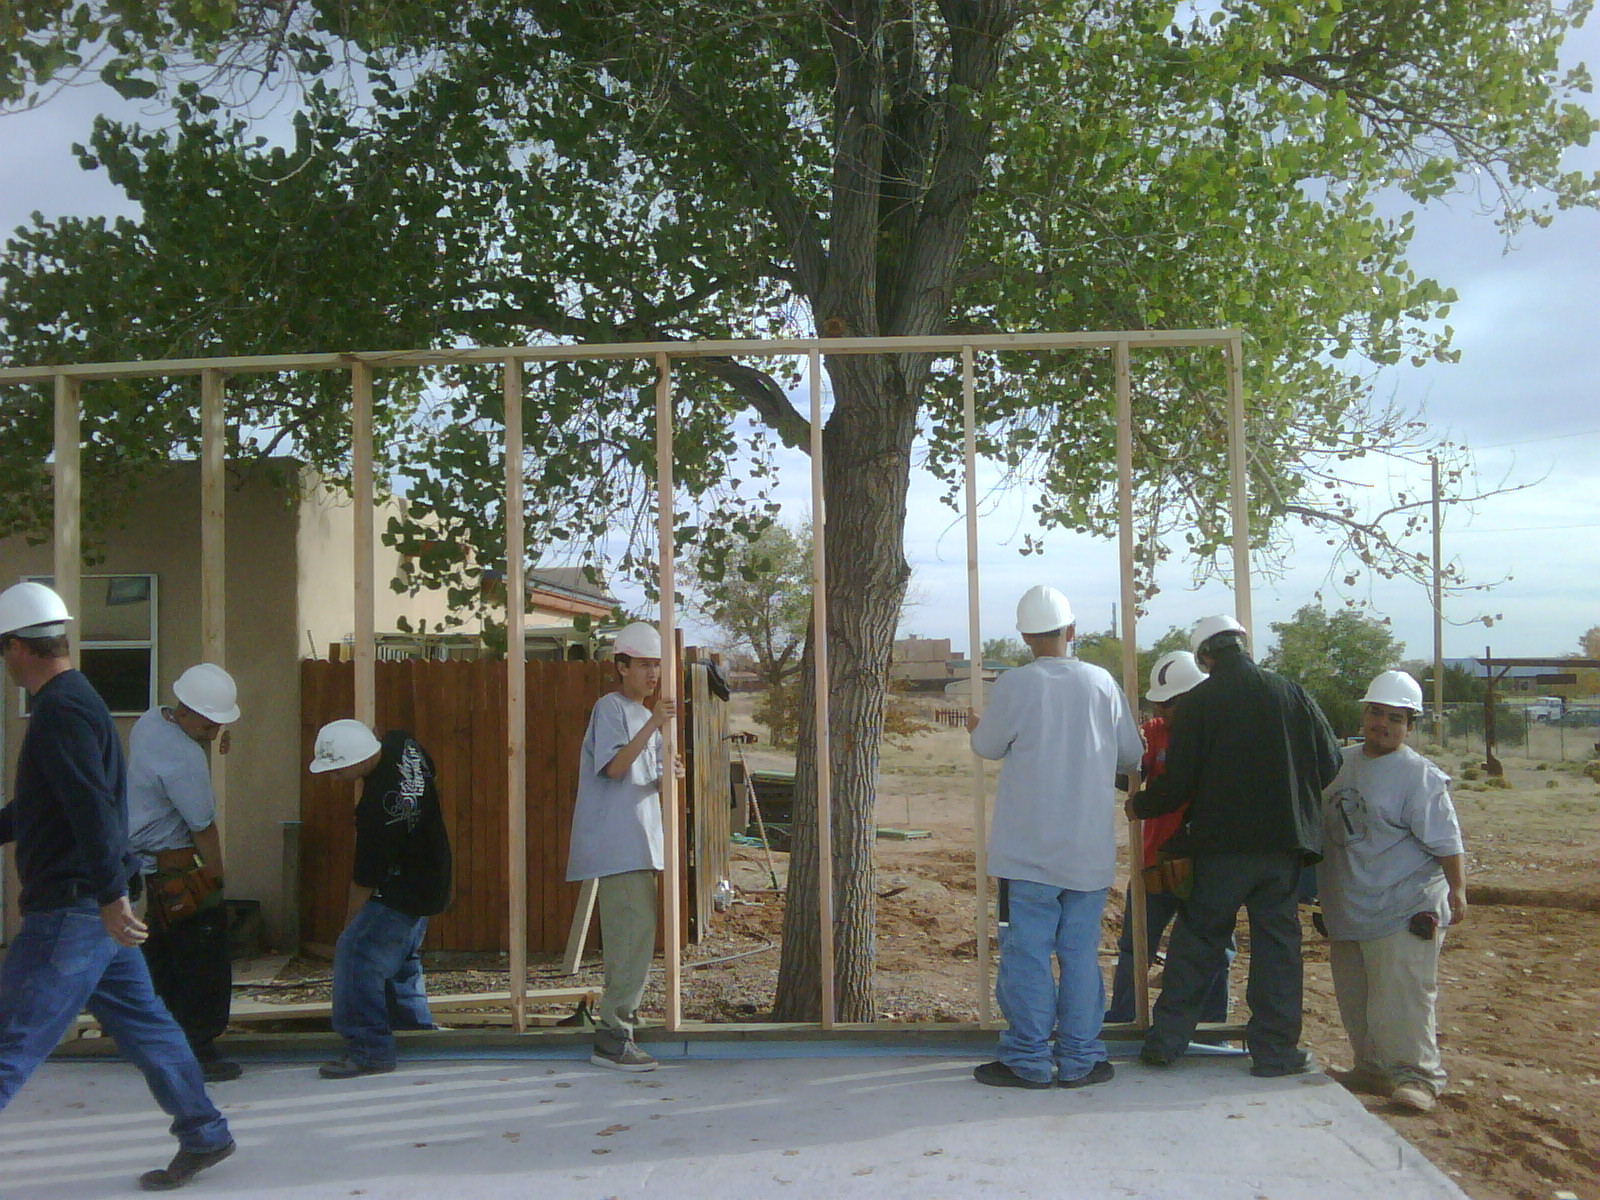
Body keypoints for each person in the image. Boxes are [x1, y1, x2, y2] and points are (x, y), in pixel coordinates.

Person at [0, 582, 234, 1191]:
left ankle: (205, 1131)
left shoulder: (60, 710)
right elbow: (41, 805)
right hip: (97, 912)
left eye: (4, 649)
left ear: (21, 648)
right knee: (151, 1029)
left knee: (11, 1039)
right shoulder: (76, 702)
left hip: (74, 914)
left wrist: (108, 898)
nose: (4, 660)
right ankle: (205, 1134)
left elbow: (92, 810)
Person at [1130, 614, 1342, 1077]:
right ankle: (1275, 1053)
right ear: (1243, 645)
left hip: (1220, 850)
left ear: (1205, 657)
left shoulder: (1200, 703)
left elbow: (1179, 783)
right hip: (1282, 850)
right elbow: (1330, 763)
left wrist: (1140, 805)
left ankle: (1165, 1043)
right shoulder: (1291, 693)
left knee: (1199, 940)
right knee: (1277, 950)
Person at [967, 585, 1143, 1088]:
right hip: (1087, 856)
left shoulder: (1016, 685)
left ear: (1025, 636)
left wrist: (980, 725)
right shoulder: (1102, 683)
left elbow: (987, 745)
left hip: (1026, 857)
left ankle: (1027, 1060)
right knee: (1080, 955)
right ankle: (1081, 1059)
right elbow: (1131, 755)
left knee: (1026, 954)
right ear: (1071, 631)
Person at [1319, 670, 1467, 1114]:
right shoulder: (1337, 763)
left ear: (1409, 725)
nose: (1382, 724)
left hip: (1405, 904)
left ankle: (1417, 1077)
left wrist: (1458, 891)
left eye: (1395, 718)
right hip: (1350, 902)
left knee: (1403, 994)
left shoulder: (1418, 776)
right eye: (1376, 713)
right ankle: (1371, 1068)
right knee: (1356, 995)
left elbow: (1446, 841)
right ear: (1364, 714)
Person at [308, 718, 452, 1078]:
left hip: (403, 889)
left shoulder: (375, 810)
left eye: (337, 771)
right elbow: (429, 768)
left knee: (358, 955)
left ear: (356, 761)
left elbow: (365, 880)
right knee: (401, 959)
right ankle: (414, 1033)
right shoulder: (402, 744)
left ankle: (370, 1050)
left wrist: (349, 929)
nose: (333, 778)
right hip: (432, 878)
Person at [567, 620, 678, 1072]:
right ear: (621, 667)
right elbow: (614, 768)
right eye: (644, 665)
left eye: (657, 665)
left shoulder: (640, 717)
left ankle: (623, 1021)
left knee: (636, 938)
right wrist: (655, 723)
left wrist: (669, 771)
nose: (652, 675)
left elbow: (640, 775)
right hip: (619, 845)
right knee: (629, 939)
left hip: (640, 843)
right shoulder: (610, 708)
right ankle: (613, 1037)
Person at [127, 662, 243, 1083]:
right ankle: (198, 1051)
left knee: (161, 959)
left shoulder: (150, 721)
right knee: (203, 961)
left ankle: (161, 1046)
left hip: (147, 870)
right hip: (178, 870)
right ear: (191, 714)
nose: (214, 734)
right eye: (211, 726)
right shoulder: (184, 759)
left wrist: (210, 739)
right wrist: (216, 880)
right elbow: (203, 827)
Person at [1105, 649, 1232, 1026]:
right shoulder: (1154, 733)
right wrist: (1125, 754)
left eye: (1171, 703)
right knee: (1135, 947)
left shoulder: (1223, 735)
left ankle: (1210, 1029)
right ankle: (1125, 1018)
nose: (1164, 711)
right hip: (1154, 860)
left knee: (1215, 950)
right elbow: (1127, 780)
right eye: (1160, 703)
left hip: (1208, 862)